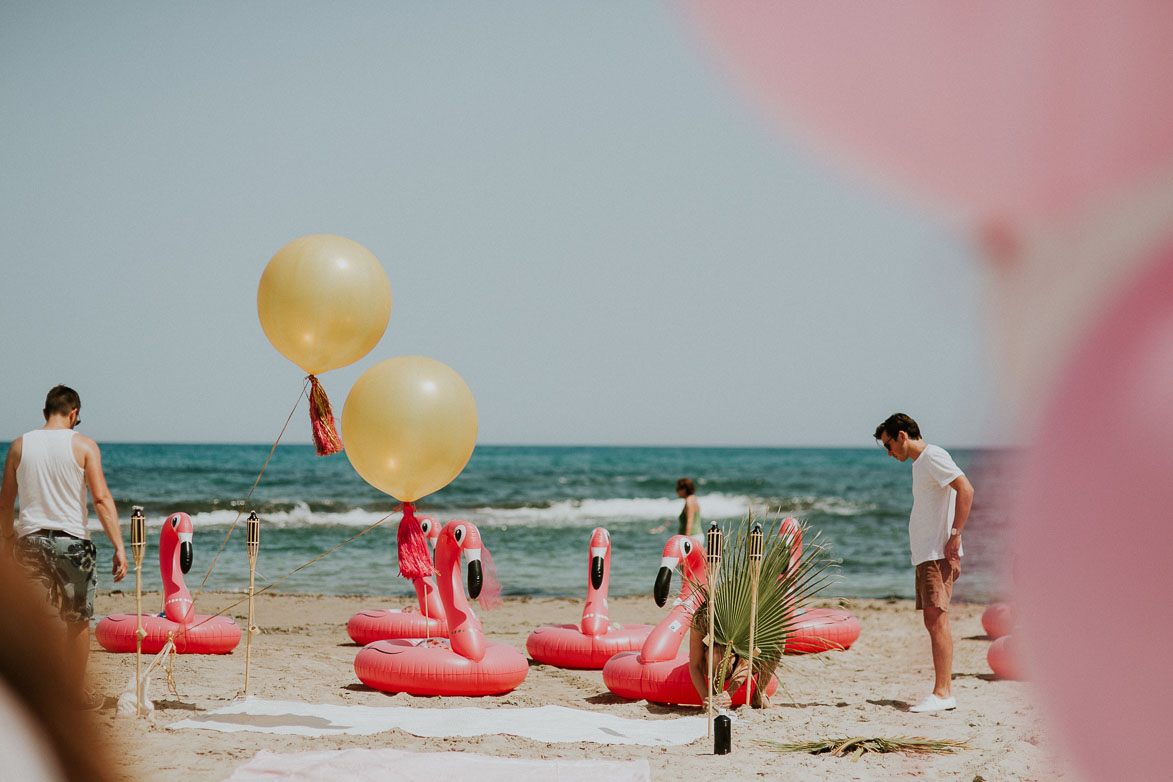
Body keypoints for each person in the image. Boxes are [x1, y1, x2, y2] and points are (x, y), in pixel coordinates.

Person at [0, 385, 128, 709]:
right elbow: (100, 499)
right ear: (73, 414)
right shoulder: (84, 446)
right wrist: (119, 547)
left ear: (45, 412)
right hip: (72, 544)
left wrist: (7, 540)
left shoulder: (19, 446)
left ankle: (32, 696)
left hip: (30, 542)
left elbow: (5, 504)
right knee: (77, 620)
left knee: (33, 622)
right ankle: (73, 696)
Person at [874, 413, 974, 713]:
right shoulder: (922, 464)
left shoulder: (932, 456)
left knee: (936, 619)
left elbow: (966, 489)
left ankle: (943, 694)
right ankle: (942, 692)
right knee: (933, 620)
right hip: (927, 554)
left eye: (889, 445)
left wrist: (955, 536)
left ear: (902, 435)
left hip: (937, 554)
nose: (890, 454)